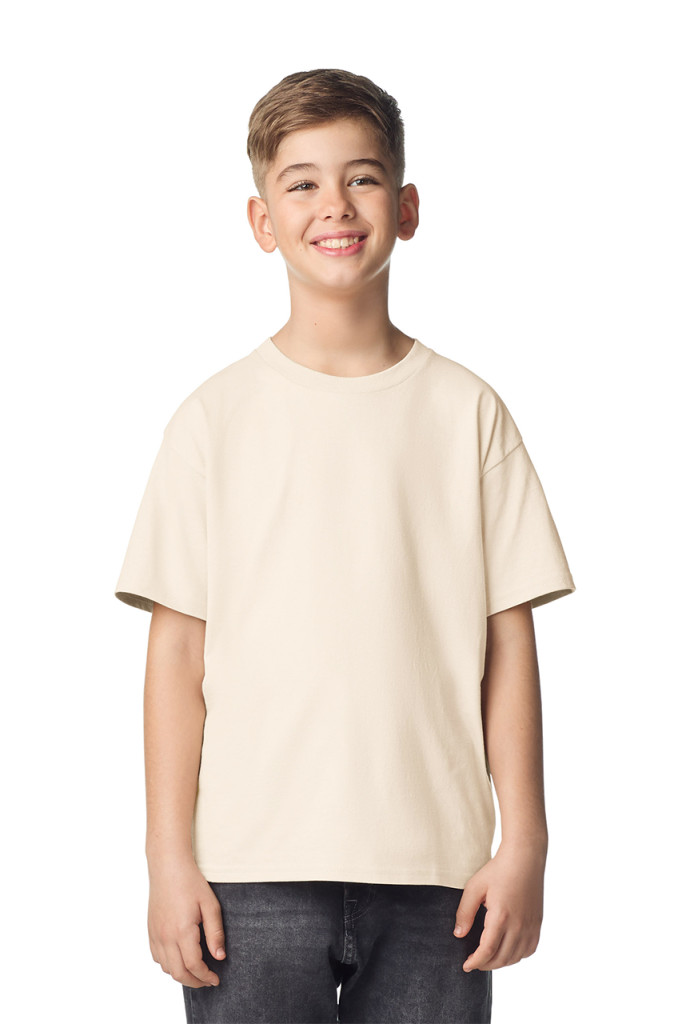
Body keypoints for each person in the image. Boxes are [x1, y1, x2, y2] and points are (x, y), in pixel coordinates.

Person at [114, 68, 576, 1024]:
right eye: (303, 183)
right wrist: (167, 859)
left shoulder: (468, 412)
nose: (335, 204)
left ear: (407, 208)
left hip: (439, 877)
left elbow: (509, 643)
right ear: (261, 220)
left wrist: (525, 839)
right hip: (249, 873)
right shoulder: (213, 420)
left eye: (362, 177)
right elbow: (177, 653)